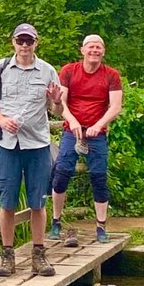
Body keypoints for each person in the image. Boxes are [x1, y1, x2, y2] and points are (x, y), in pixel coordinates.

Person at [0, 23, 63, 278]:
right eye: (21, 40)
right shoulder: (2, 67)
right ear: (13, 42)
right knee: (7, 202)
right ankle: (7, 256)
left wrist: (57, 99)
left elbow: (57, 111)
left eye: (29, 41)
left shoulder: (48, 70)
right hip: (7, 144)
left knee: (38, 201)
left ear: (36, 43)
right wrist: (2, 120)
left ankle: (39, 254)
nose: (25, 45)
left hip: (37, 144)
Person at [49, 34, 123, 245]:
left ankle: (101, 226)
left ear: (103, 51)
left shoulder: (111, 75)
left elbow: (115, 106)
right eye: (91, 47)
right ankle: (56, 221)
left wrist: (99, 125)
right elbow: (60, 102)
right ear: (82, 50)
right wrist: (72, 122)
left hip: (97, 132)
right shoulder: (69, 71)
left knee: (99, 177)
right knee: (62, 171)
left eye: (98, 47)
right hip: (72, 129)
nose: (94, 51)